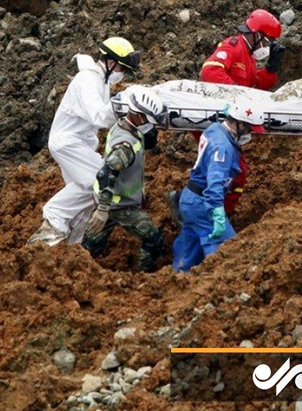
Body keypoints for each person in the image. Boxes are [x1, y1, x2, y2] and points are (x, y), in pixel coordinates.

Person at [167, 10, 285, 220]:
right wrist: (237, 96)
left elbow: (256, 86)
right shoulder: (233, 46)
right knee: (235, 171)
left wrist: (271, 68)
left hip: (225, 121)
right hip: (214, 119)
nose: (268, 46)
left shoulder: (248, 58)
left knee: (224, 169)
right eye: (268, 41)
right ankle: (215, 212)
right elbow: (210, 71)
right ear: (257, 35)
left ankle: (190, 203)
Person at [28, 37, 141, 246]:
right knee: (97, 182)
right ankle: (54, 216)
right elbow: (99, 116)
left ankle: (71, 246)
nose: (122, 74)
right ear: (109, 62)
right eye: (122, 68)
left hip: (80, 144)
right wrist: (125, 100)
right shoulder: (88, 81)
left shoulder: (101, 81)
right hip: (69, 143)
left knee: (86, 197)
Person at [172, 100, 265, 272]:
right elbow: (215, 182)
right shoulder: (222, 147)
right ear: (240, 123)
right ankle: (218, 290)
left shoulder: (215, 129)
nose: (251, 133)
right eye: (250, 128)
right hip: (203, 204)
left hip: (190, 199)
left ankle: (178, 278)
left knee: (189, 251)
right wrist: (217, 213)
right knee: (228, 254)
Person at [82, 87, 167, 272]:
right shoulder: (125, 147)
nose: (149, 125)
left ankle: (82, 265)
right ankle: (144, 277)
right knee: (153, 238)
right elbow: (107, 173)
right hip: (118, 205)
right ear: (137, 115)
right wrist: (103, 210)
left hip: (113, 201)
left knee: (92, 245)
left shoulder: (125, 124)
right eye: (147, 120)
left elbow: (148, 140)